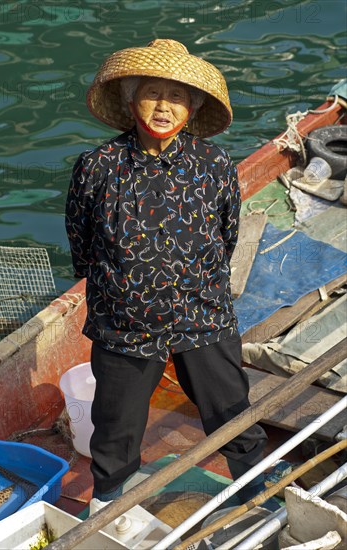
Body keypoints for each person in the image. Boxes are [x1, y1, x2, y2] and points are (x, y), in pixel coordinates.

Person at [65, 39, 278, 509]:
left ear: (193, 106)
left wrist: (191, 283)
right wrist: (121, 286)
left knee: (230, 411)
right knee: (115, 426)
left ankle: (259, 491)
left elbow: (225, 236)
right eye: (153, 93)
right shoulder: (97, 167)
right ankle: (107, 508)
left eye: (178, 96)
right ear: (129, 99)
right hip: (124, 324)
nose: (164, 106)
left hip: (201, 314)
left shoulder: (214, 165)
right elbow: (81, 244)